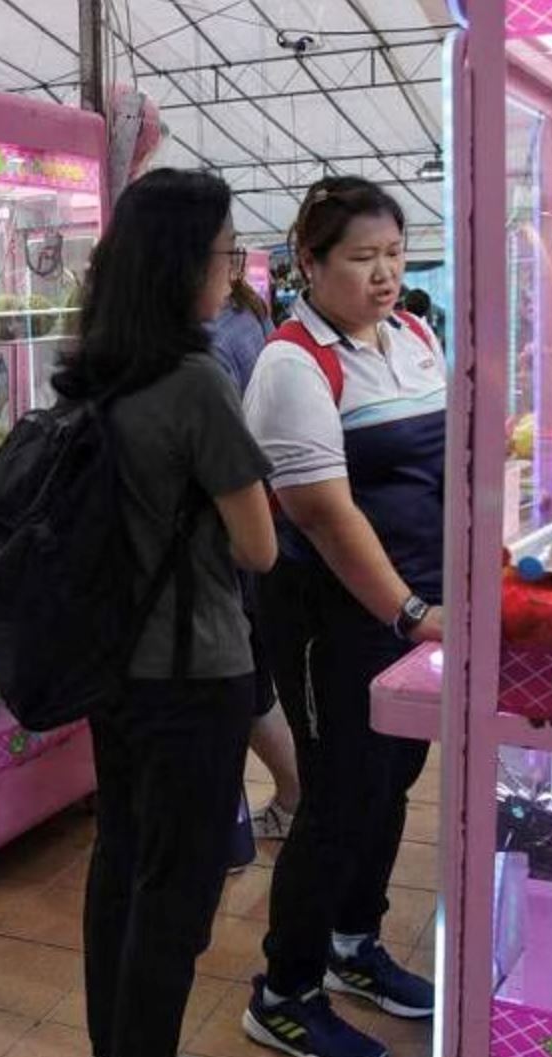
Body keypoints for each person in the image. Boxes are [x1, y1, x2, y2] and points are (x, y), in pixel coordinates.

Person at [60, 169, 276, 1057]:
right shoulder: (195, 382)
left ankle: (117, 1056)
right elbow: (258, 546)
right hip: (195, 670)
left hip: (114, 663)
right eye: (227, 253)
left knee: (121, 858)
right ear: (187, 261)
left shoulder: (89, 373)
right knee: (178, 885)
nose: (232, 273)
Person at [241, 177, 444, 1057]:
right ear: (310, 266)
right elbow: (323, 512)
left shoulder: (413, 336)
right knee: (335, 798)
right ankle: (283, 993)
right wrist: (405, 609)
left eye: (394, 254)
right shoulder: (292, 364)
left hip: (424, 617)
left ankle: (353, 943)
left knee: (393, 782)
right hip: (341, 623)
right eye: (362, 259)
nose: (385, 274)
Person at [208, 277, 302, 844]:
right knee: (255, 679)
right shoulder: (248, 314)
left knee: (246, 688)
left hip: (241, 534)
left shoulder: (207, 350)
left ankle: (295, 794)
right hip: (270, 515)